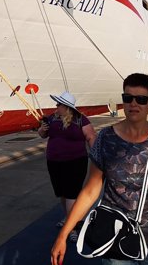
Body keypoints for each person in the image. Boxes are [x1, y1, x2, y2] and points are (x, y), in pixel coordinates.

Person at [51, 73, 148, 265]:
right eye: (127, 98)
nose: (133, 104)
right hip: (115, 236)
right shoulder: (105, 139)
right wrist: (63, 235)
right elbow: (90, 191)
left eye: (141, 99)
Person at [38, 91, 96, 242]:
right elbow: (43, 135)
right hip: (54, 162)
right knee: (62, 194)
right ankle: (69, 218)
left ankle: (72, 227)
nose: (56, 106)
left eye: (59, 104)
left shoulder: (80, 120)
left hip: (75, 162)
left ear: (66, 107)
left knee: (71, 194)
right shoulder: (52, 118)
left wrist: (97, 158)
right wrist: (42, 130)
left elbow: (91, 137)